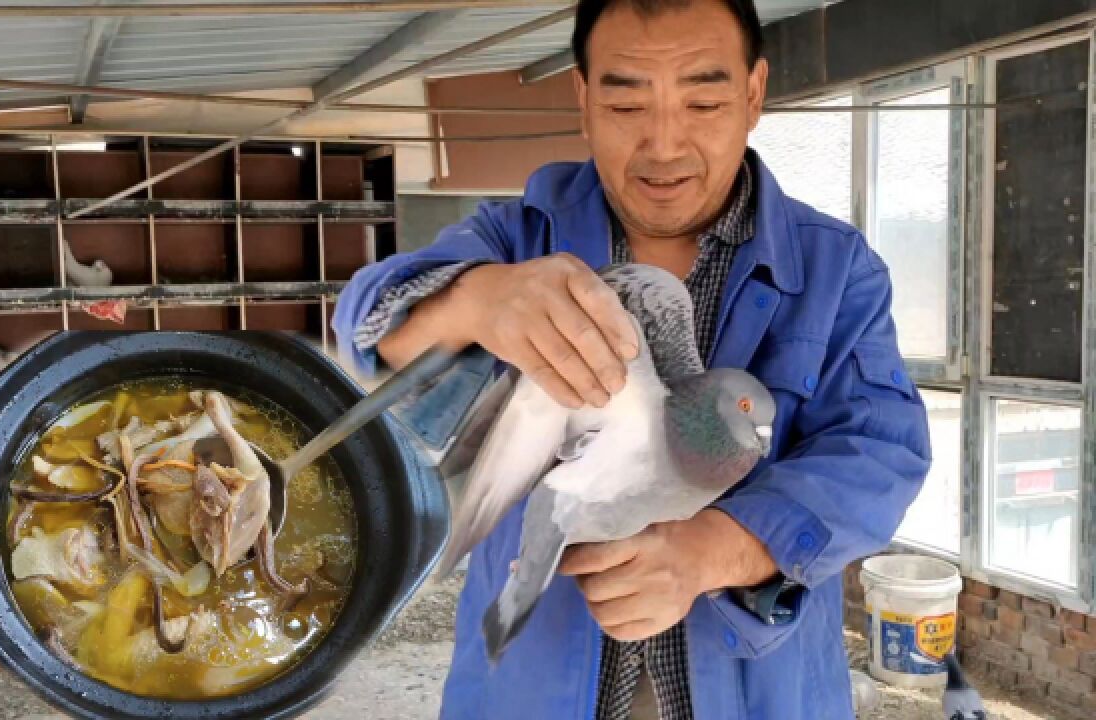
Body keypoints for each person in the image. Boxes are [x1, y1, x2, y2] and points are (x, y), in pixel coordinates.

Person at [331, 0, 932, 717]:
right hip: (528, 688)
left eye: (703, 101)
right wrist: (477, 299)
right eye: (626, 103)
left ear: (752, 95)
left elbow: (880, 454)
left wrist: (715, 548)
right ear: (583, 99)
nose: (665, 145)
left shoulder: (836, 271)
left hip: (757, 690)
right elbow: (367, 322)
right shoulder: (517, 238)